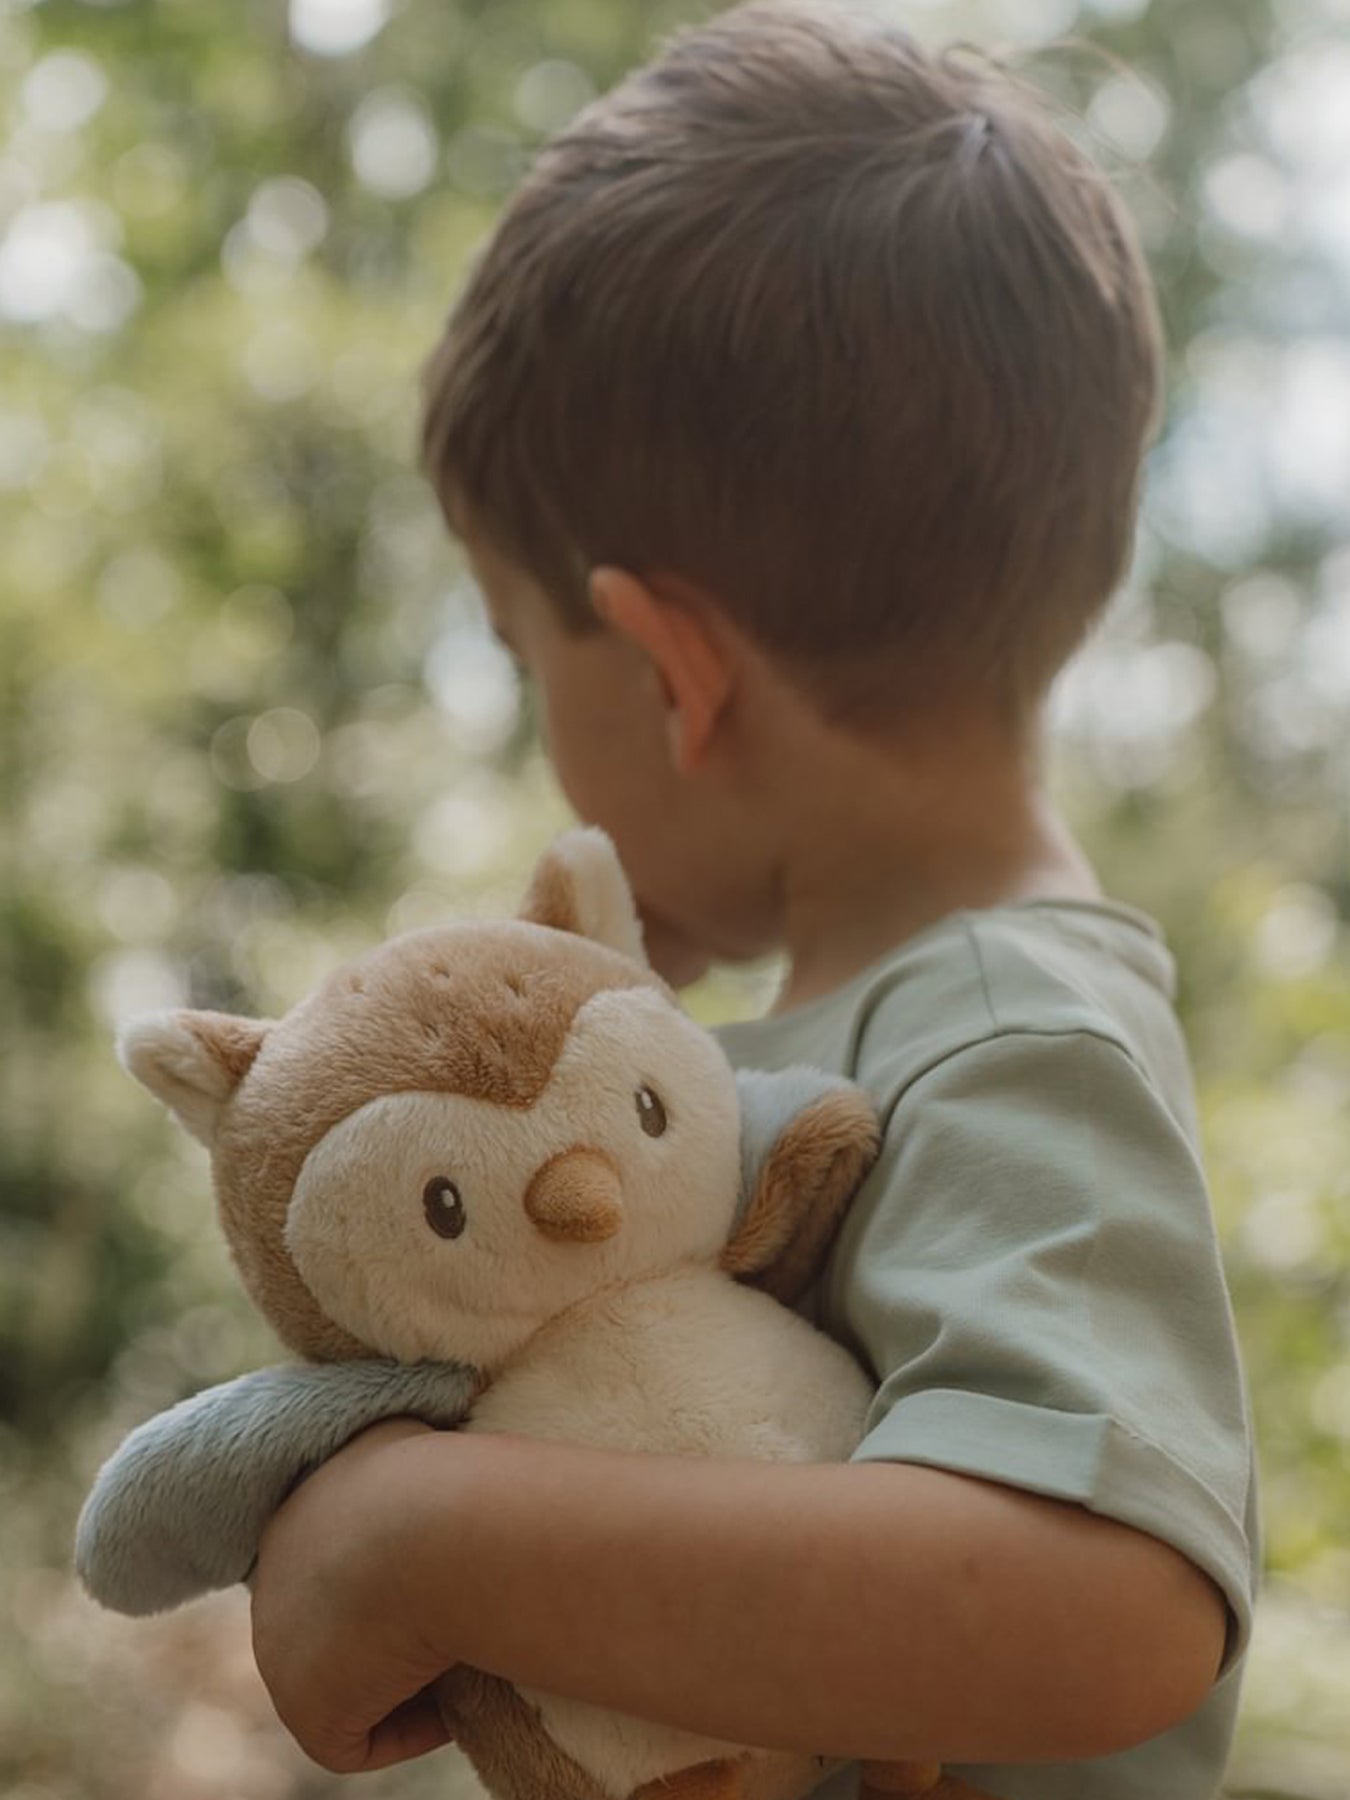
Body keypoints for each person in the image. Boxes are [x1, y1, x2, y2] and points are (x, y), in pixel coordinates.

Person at [247, 6, 1258, 1797]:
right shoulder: (855, 1022)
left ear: (668, 674)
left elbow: (1105, 1609)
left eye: (518, 647)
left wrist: (432, 1541)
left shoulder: (1010, 1038)